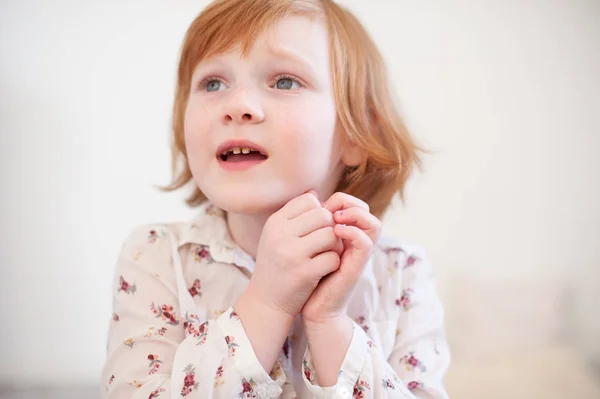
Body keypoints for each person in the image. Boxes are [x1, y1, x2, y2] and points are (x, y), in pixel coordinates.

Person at [100, 0, 450, 397]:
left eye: (284, 81)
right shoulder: (156, 256)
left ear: (354, 135)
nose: (238, 106)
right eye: (213, 83)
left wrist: (328, 322)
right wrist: (267, 303)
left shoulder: (399, 273)